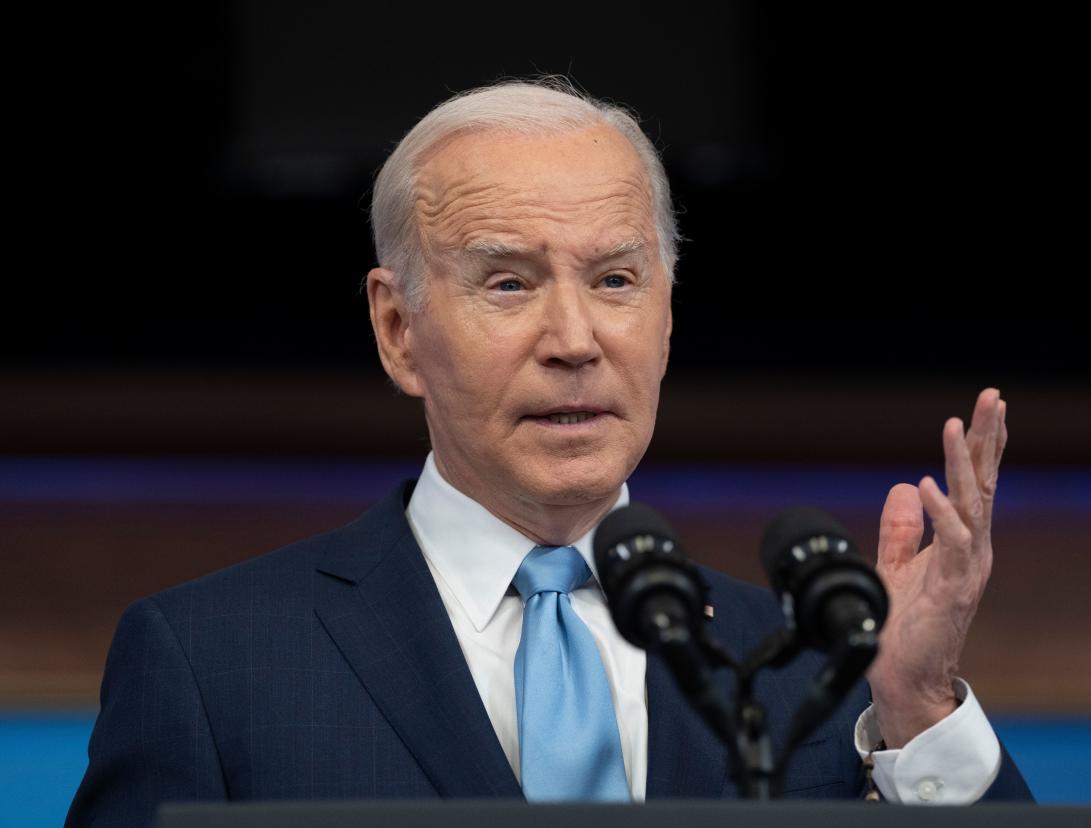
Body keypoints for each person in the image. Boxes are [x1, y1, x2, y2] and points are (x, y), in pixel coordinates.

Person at [66, 77, 1030, 826]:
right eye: (510, 284)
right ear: (398, 328)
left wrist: (917, 703)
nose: (575, 339)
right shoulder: (212, 663)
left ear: (664, 318)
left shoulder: (809, 676)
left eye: (615, 279)